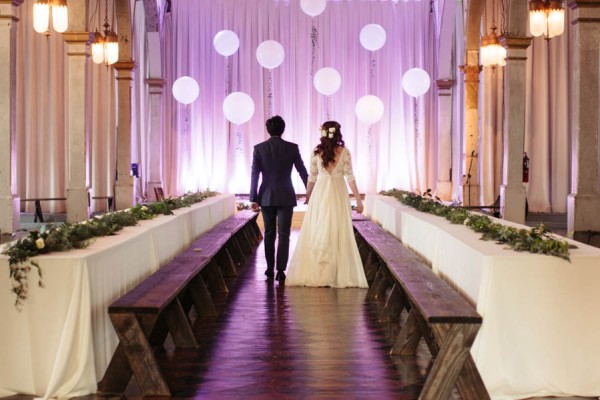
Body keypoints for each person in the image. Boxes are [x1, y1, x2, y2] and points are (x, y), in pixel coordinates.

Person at [286, 121, 368, 288]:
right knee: (337, 229)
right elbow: (350, 177)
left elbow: (312, 178)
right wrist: (358, 199)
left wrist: (308, 196)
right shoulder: (344, 152)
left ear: (323, 133)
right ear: (337, 133)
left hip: (320, 193)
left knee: (319, 228)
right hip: (338, 193)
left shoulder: (317, 152)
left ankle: (320, 269)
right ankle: (335, 271)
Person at [250, 115, 308, 283]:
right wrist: (310, 190)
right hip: (286, 195)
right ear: (283, 129)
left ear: (268, 130)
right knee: (284, 233)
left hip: (266, 196)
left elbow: (255, 174)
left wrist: (253, 197)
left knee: (269, 232)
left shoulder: (259, 148)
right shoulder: (292, 148)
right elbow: (302, 171)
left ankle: (269, 268)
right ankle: (281, 270)